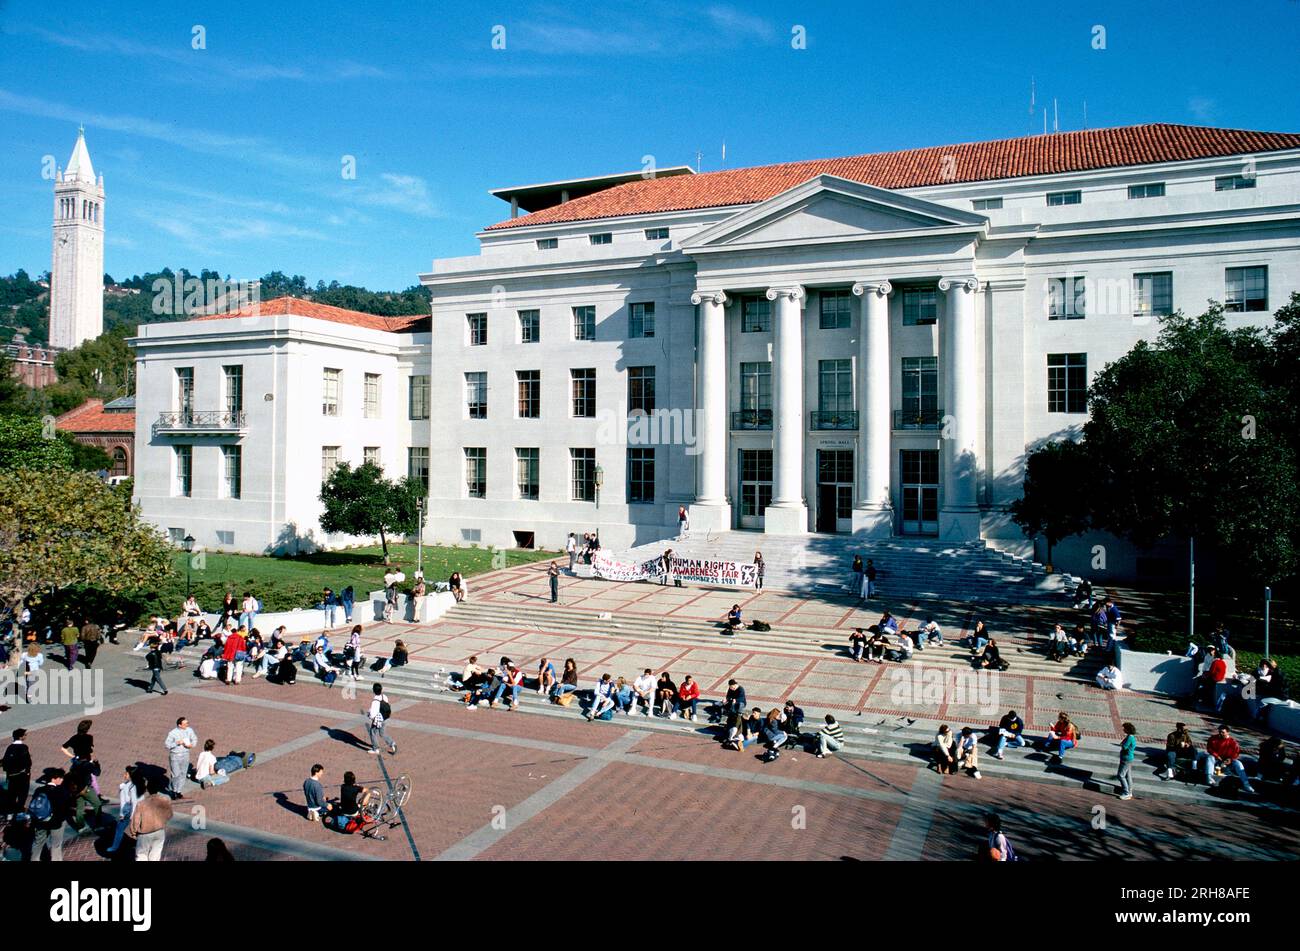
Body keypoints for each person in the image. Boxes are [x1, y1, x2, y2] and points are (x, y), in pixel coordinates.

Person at [27, 769, 72, 861]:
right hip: (56, 823)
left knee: (38, 843)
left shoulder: (39, 790)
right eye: (60, 778)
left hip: (41, 822)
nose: (62, 780)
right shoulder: (62, 791)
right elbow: (66, 808)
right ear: (54, 779)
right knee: (56, 845)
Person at [128, 777, 174, 861]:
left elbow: (136, 821)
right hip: (160, 832)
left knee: (141, 856)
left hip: (145, 834)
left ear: (148, 789)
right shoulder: (164, 800)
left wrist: (134, 832)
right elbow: (170, 815)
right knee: (155, 856)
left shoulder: (142, 804)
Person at [1200, 724, 1255, 794]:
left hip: (1227, 762)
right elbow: (1209, 749)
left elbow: (1236, 753)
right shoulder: (1213, 738)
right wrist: (1217, 756)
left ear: (1227, 732)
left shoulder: (1233, 742)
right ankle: (1209, 777)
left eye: (1223, 732)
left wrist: (1230, 759)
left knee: (1238, 763)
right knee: (1210, 757)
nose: (1220, 734)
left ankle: (1246, 784)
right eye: (1219, 732)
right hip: (1216, 761)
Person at [106, 766, 145, 853]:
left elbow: (132, 803)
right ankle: (141, 845)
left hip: (129, 812)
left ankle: (114, 847)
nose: (124, 774)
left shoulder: (131, 787)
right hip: (137, 811)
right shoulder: (136, 785)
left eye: (126, 773)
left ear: (132, 775)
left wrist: (125, 815)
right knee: (139, 830)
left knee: (119, 829)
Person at [165, 717, 197, 800]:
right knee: (176, 774)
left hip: (185, 754)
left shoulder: (189, 730)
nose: (187, 724)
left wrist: (192, 744)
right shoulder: (172, 733)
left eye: (187, 723)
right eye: (185, 723)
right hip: (175, 755)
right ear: (179, 725)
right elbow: (167, 745)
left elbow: (194, 739)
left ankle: (179, 791)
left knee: (183, 773)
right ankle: (173, 790)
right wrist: (177, 743)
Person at [2, 728, 32, 819]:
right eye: (25, 735)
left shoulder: (10, 747)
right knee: (22, 794)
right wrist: (27, 772)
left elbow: (5, 761)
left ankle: (9, 813)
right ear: (21, 736)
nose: (25, 736)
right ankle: (19, 812)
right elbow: (27, 762)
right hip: (22, 775)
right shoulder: (23, 747)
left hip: (11, 775)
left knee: (12, 794)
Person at [366, 683, 397, 755]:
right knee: (382, 733)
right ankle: (392, 743)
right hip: (384, 718)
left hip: (378, 720)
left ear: (373, 691)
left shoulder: (375, 701)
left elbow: (373, 714)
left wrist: (369, 715)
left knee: (373, 732)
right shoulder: (384, 697)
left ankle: (375, 749)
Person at [1116, 722, 1138, 800]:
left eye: (1124, 728)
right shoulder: (1130, 737)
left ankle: (1126, 792)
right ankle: (1129, 791)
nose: (1123, 729)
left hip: (1126, 758)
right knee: (1128, 775)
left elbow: (1124, 746)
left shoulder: (1130, 737)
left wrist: (1122, 745)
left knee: (1120, 775)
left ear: (1128, 729)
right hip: (1128, 758)